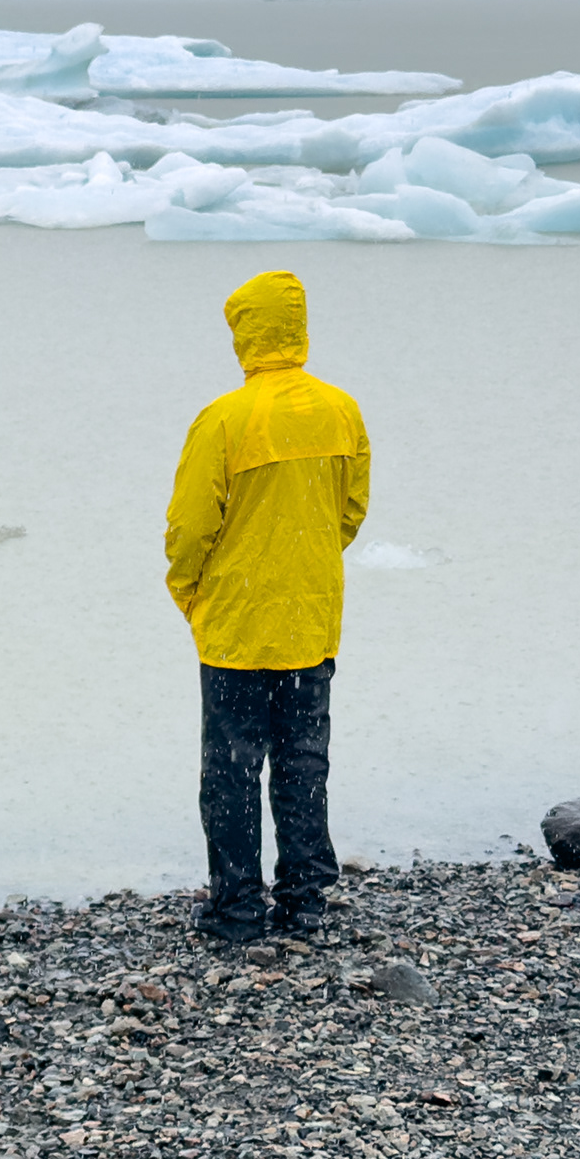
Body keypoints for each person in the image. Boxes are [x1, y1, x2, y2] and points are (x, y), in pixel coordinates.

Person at [164, 270, 369, 945]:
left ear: (246, 334)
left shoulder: (225, 418)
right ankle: (306, 902)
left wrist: (188, 592)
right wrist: (306, 567)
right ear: (299, 327)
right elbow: (350, 511)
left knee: (231, 768)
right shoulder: (341, 409)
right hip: (310, 619)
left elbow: (191, 527)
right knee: (303, 759)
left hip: (236, 627)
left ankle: (237, 909)